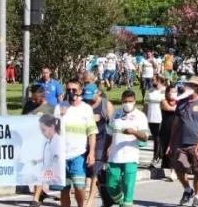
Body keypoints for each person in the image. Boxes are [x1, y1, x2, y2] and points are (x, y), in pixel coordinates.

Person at [169, 76, 198, 207]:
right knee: (179, 169)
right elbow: (175, 125)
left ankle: (197, 197)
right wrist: (171, 143)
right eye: (188, 85)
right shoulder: (181, 103)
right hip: (182, 143)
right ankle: (188, 190)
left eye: (192, 86)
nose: (189, 88)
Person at [103, 90, 149, 207]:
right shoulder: (116, 114)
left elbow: (145, 138)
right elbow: (109, 134)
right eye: (125, 101)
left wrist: (134, 132)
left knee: (128, 185)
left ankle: (127, 203)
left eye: (130, 101)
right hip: (115, 156)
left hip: (130, 156)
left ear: (134, 101)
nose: (127, 103)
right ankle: (120, 200)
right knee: (111, 185)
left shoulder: (140, 116)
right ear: (121, 101)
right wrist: (106, 149)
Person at [57, 79, 99, 207]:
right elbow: (52, 130)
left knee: (79, 187)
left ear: (80, 91)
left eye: (74, 90)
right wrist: (60, 116)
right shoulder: (59, 107)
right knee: (64, 190)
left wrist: (91, 153)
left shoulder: (86, 109)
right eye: (68, 90)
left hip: (78, 154)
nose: (71, 92)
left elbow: (92, 133)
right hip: (61, 155)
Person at [82, 81, 113, 207]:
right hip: (85, 140)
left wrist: (110, 145)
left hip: (101, 139)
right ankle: (83, 195)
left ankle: (91, 200)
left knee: (96, 171)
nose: (89, 101)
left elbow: (112, 127)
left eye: (91, 98)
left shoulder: (106, 105)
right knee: (84, 170)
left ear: (98, 93)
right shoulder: (83, 104)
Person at [144, 75, 165, 168]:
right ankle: (160, 155)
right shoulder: (149, 91)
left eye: (154, 80)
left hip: (160, 118)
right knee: (156, 137)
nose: (152, 81)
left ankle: (156, 157)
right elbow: (146, 105)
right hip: (150, 118)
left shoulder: (164, 91)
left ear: (159, 80)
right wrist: (144, 117)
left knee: (158, 138)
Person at [160, 85, 179, 181]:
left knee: (173, 149)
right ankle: (165, 168)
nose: (173, 94)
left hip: (176, 128)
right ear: (167, 93)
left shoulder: (178, 102)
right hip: (166, 127)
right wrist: (179, 107)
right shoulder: (164, 102)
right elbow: (169, 108)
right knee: (165, 149)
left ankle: (173, 170)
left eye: (175, 92)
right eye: (171, 92)